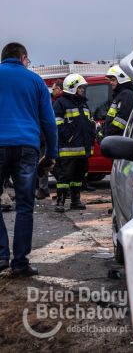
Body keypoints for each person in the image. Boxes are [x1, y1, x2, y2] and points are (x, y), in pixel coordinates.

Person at [0, 42, 57, 276]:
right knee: (25, 206)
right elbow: (49, 122)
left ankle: (1, 255)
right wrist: (52, 153)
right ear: (23, 58)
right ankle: (20, 263)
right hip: (27, 147)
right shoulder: (35, 82)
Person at [52, 73, 95, 212]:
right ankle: (60, 202)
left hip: (83, 148)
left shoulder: (83, 103)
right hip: (68, 149)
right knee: (65, 176)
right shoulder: (60, 103)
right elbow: (57, 123)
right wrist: (68, 136)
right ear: (72, 87)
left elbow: (88, 122)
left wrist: (93, 133)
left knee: (78, 176)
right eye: (81, 88)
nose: (83, 90)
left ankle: (75, 201)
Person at [36, 80, 63, 200]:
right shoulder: (51, 101)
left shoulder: (59, 102)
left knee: (49, 165)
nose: (52, 91)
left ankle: (45, 189)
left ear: (60, 89)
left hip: (48, 138)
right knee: (48, 165)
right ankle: (45, 189)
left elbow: (49, 122)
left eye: (54, 89)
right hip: (46, 138)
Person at [101, 65, 133, 138]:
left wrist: (108, 133)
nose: (110, 82)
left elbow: (121, 120)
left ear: (121, 79)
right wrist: (103, 130)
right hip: (115, 138)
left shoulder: (127, 95)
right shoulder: (119, 95)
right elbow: (112, 117)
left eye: (113, 80)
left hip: (119, 138)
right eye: (110, 80)